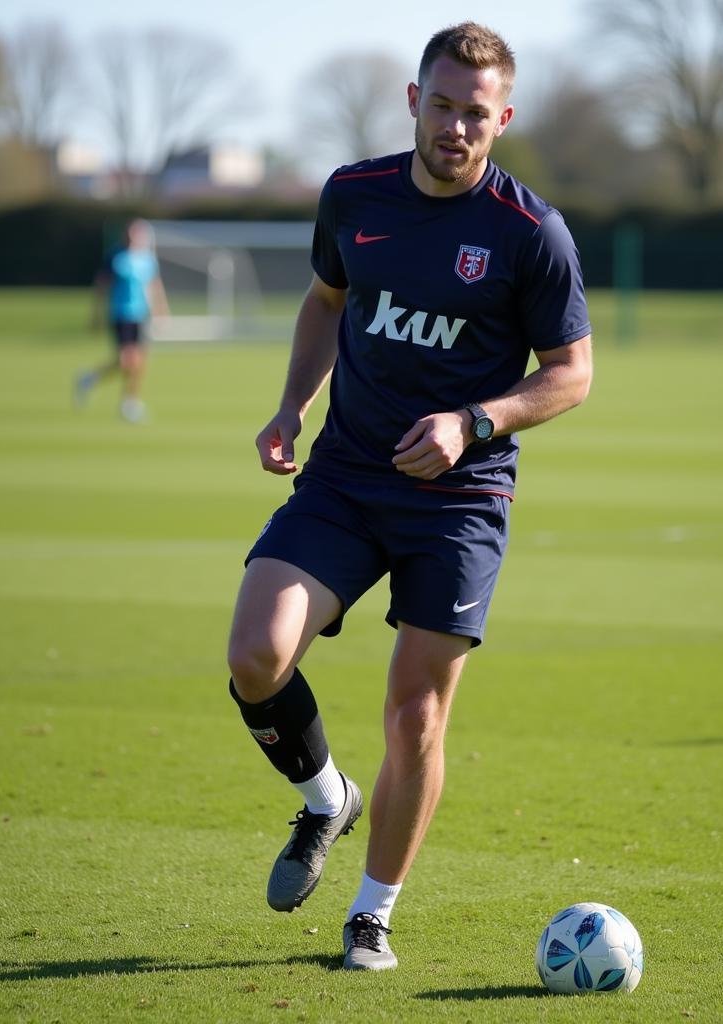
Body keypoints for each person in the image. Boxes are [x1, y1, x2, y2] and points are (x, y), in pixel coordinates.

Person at [225, 22, 592, 972]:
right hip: (346, 476)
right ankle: (324, 801)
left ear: (502, 119)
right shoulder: (353, 195)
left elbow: (571, 374)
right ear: (413, 100)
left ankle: (371, 916)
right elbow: (325, 300)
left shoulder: (530, 234)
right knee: (256, 656)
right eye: (442, 105)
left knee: (415, 715)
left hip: (460, 500)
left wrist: (471, 423)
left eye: (478, 113)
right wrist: (289, 407)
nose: (457, 127)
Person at [75, 219, 168, 423]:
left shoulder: (147, 259)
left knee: (139, 361)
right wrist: (96, 313)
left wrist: (161, 309)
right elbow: (102, 285)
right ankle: (91, 379)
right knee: (127, 359)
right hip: (121, 313)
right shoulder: (115, 257)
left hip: (141, 314)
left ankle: (128, 401)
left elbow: (154, 284)